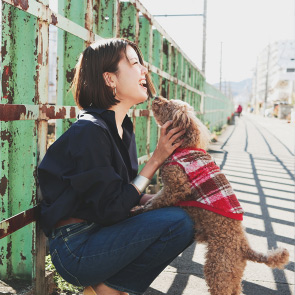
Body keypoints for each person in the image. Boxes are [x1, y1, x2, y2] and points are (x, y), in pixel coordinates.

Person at [38, 38, 195, 295]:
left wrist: (160, 199)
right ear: (110, 79)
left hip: (100, 232)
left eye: (141, 64)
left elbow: (120, 194)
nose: (144, 70)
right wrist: (155, 160)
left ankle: (107, 290)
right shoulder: (89, 131)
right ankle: (108, 290)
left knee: (188, 214)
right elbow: (112, 209)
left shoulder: (122, 129)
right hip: (76, 246)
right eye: (134, 63)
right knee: (179, 222)